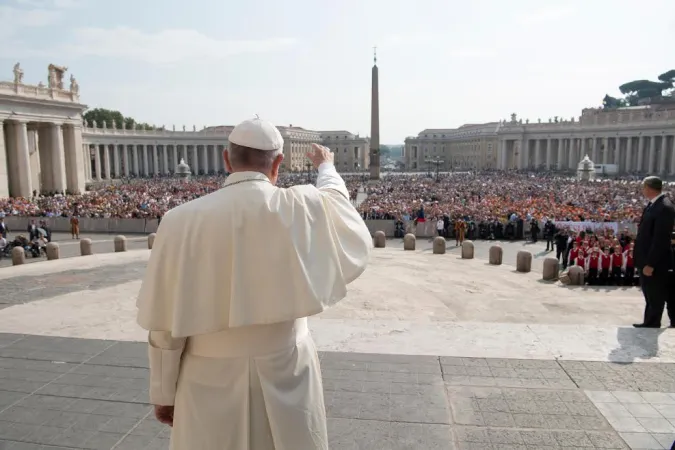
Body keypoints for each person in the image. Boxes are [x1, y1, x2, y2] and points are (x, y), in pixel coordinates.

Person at [136, 118, 373, 450]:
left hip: (206, 377)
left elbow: (163, 325)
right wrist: (326, 167)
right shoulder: (300, 206)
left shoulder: (179, 221)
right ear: (277, 163)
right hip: (287, 370)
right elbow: (336, 200)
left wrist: (163, 391)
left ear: (226, 160)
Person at [633, 176, 675, 328]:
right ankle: (650, 320)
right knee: (650, 292)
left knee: (655, 293)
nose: (643, 190)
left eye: (644, 187)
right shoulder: (654, 204)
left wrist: (650, 263)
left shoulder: (664, 207)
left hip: (656, 262)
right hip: (646, 258)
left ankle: (652, 321)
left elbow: (661, 239)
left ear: (649, 188)